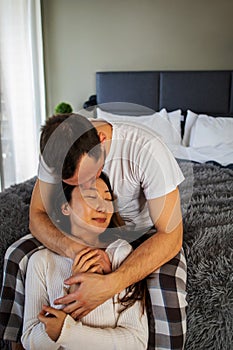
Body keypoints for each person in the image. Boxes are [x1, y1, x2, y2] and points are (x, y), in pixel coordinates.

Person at [0, 113, 187, 350]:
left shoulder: (146, 149)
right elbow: (37, 217)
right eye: (75, 184)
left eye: (91, 176)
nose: (90, 186)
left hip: (145, 230)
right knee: (17, 255)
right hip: (82, 230)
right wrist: (78, 251)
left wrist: (112, 283)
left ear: (100, 140)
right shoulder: (56, 151)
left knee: (168, 279)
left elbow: (171, 236)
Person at [21, 173, 148, 350]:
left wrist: (66, 332)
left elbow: (136, 342)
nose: (103, 207)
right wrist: (70, 302)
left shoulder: (120, 254)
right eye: (91, 197)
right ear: (65, 207)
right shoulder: (41, 262)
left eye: (107, 198)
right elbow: (31, 343)